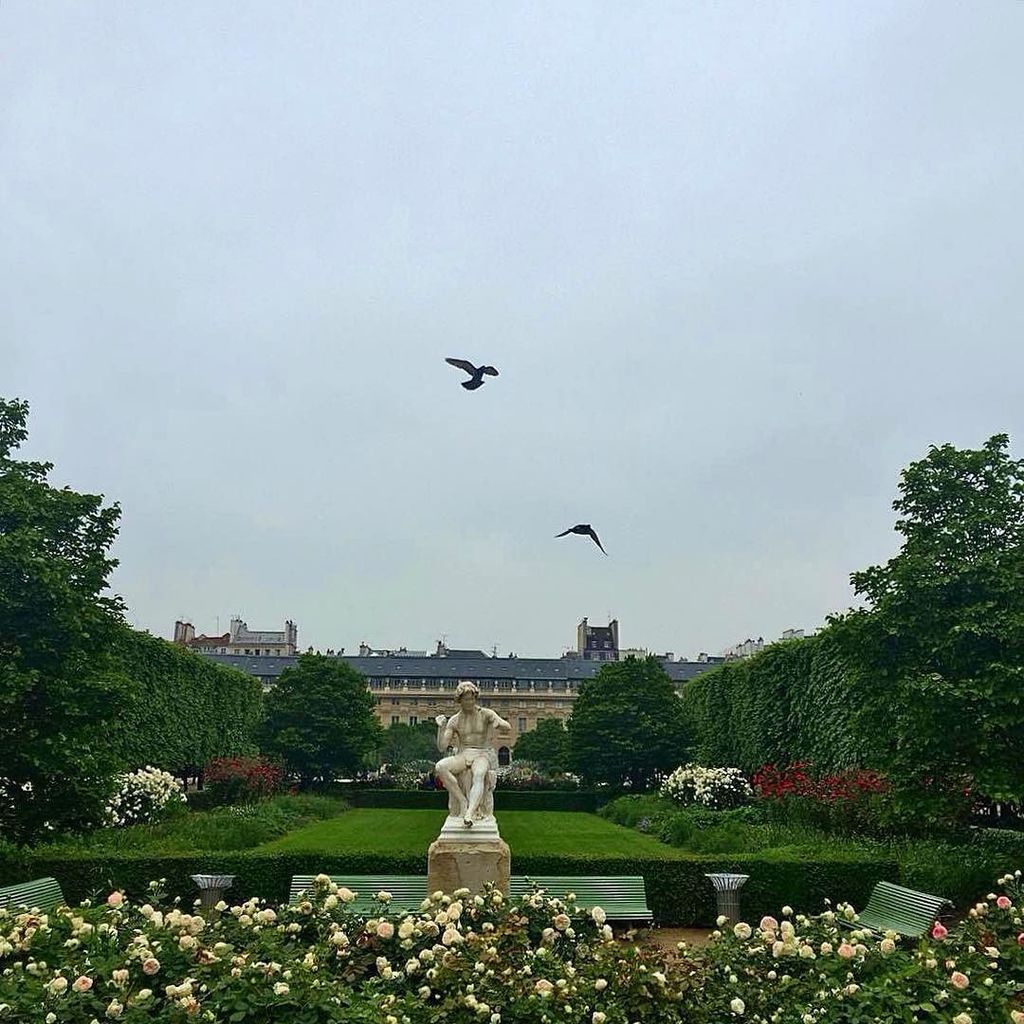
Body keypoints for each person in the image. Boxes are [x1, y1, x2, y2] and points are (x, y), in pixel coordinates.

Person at [434, 680, 511, 827]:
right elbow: (442, 747)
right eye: (466, 699)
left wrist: (499, 723)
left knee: (479, 774)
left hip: (483, 753)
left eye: (471, 699)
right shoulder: (455, 720)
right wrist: (441, 728)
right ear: (459, 701)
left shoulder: (486, 714)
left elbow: (507, 726)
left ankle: (469, 813)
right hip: (463, 754)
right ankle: (462, 801)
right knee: (440, 767)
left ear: (475, 698)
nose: (469, 702)